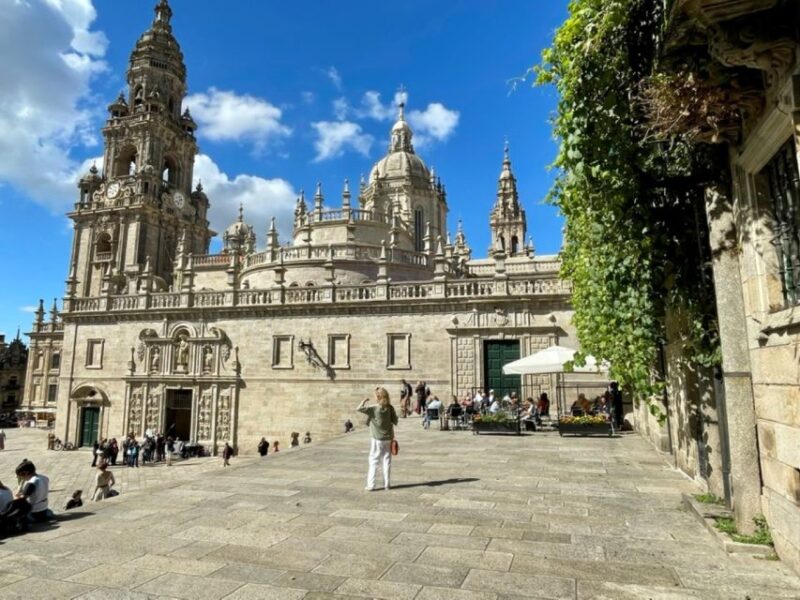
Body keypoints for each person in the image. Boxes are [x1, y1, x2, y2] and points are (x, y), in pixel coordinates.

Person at [358, 387, 398, 491]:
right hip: (388, 438)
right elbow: (395, 421)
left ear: (379, 397)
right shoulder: (390, 408)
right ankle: (387, 484)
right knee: (387, 460)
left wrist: (364, 402)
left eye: (375, 395)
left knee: (374, 460)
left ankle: (371, 485)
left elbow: (359, 408)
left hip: (377, 439)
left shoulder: (374, 408)